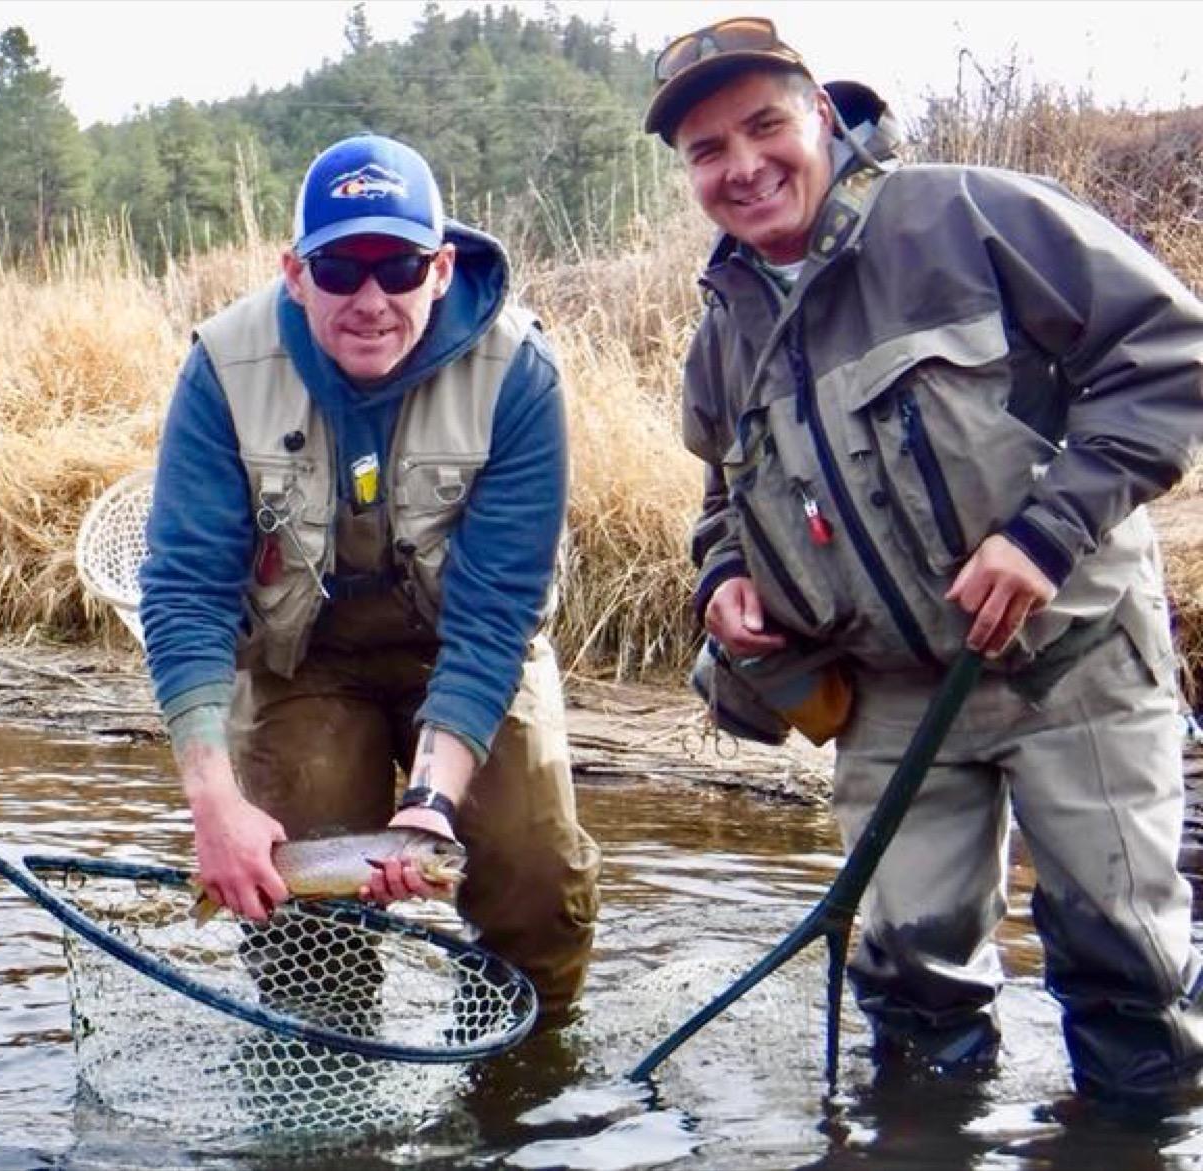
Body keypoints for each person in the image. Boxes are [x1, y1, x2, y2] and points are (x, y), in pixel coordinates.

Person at [647, 16, 1203, 1101]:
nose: (742, 165)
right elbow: (720, 499)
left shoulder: (965, 214)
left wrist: (1046, 533)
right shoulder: (720, 331)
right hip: (893, 698)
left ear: (822, 115)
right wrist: (723, 579)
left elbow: (1166, 357)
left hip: (1071, 661)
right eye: (706, 151)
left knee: (1122, 970)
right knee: (908, 991)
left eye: (764, 125)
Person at [138, 133, 601, 1016]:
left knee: (534, 878)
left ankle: (521, 1085)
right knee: (300, 923)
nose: (371, 298)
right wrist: (212, 804)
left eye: (398, 265)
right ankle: (326, 1065)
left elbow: (496, 616)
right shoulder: (223, 369)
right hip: (302, 661)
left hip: (468, 650)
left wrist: (428, 802)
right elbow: (186, 591)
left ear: (441, 267)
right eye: (341, 267)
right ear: (294, 271)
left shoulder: (520, 373)